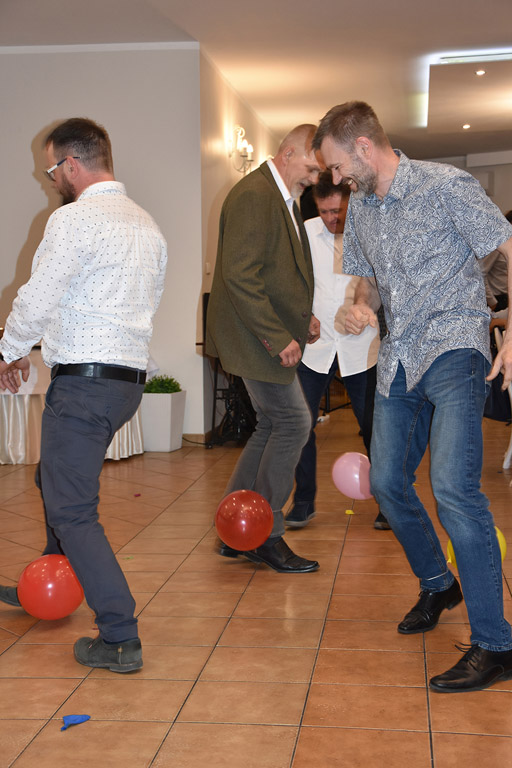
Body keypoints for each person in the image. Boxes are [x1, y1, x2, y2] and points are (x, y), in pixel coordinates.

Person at [313, 100, 512, 693]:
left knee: (453, 489)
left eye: (336, 165)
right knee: (387, 484)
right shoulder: (363, 207)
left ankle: (497, 643)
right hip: (399, 357)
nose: (334, 179)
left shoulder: (446, 185)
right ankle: (438, 583)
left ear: (363, 147)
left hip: (454, 347)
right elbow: (370, 283)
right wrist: (359, 307)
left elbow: (507, 247)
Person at [0, 118, 167, 673]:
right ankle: (53, 578)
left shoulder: (73, 219)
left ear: (71, 164)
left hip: (85, 387)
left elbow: (38, 297)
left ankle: (119, 635)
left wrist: (8, 351)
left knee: (72, 509)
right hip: (125, 385)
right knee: (51, 480)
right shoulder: (146, 225)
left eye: (51, 168)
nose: (49, 178)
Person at [206, 124, 323, 573]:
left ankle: (236, 530)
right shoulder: (255, 194)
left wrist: (302, 318)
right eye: (313, 166)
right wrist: (278, 336)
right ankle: (266, 533)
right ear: (288, 153)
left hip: (260, 332)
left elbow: (276, 273)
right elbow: (240, 275)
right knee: (294, 422)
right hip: (254, 336)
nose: (317, 177)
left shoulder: (282, 197)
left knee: (273, 424)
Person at [284, 171, 388, 530]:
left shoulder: (369, 230)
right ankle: (304, 501)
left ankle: (388, 503)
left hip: (361, 345)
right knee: (301, 425)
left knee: (374, 427)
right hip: (315, 347)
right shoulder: (303, 234)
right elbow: (290, 284)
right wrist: (304, 316)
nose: (332, 218)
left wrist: (366, 309)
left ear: (351, 202)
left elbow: (379, 283)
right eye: (325, 211)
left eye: (338, 211)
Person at [479, 209, 512, 311]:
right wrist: (492, 301)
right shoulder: (498, 243)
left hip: (507, 298)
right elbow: (480, 272)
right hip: (497, 300)